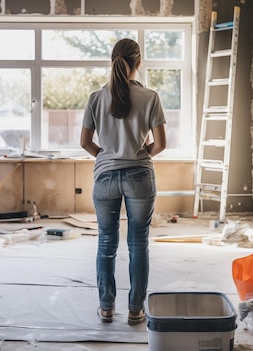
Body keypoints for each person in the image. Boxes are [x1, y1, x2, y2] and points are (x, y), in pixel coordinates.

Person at [80, 38, 167, 325]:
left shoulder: (96, 97)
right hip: (140, 176)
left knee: (106, 242)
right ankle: (135, 310)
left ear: (112, 60)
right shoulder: (151, 96)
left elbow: (85, 143)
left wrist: (105, 156)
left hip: (105, 177)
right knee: (138, 243)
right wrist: (140, 154)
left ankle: (106, 308)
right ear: (138, 63)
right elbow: (161, 144)